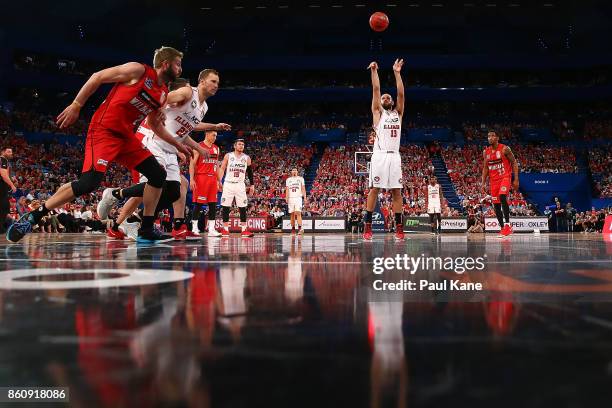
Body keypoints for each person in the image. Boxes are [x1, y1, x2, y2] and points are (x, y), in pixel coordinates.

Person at [7, 46, 191, 243]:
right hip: (104, 131)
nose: (180, 69)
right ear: (165, 64)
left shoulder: (162, 94)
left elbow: (154, 124)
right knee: (88, 183)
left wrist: (178, 145)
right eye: (177, 64)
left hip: (126, 137)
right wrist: (77, 105)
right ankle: (35, 215)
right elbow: (97, 76)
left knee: (158, 175)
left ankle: (146, 229)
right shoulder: (139, 70)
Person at [97, 72, 230, 240]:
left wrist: (213, 128)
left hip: (170, 148)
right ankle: (122, 204)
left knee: (174, 191)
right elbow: (163, 98)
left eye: (218, 82)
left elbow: (188, 127)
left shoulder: (203, 107)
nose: (216, 85)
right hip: (153, 144)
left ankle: (132, 219)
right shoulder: (188, 92)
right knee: (153, 185)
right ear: (202, 81)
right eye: (213, 81)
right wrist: (159, 109)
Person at [362, 59, 405, 241]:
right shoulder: (378, 114)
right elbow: (376, 90)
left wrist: (397, 73)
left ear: (392, 101)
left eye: (389, 97)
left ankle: (399, 228)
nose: (386, 98)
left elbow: (401, 94)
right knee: (375, 189)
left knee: (397, 192)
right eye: (383, 98)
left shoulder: (398, 113)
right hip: (379, 156)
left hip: (394, 157)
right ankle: (368, 226)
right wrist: (374, 71)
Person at [481, 130, 519, 237]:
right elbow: (485, 168)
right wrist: (483, 183)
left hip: (505, 177)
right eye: (488, 136)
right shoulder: (486, 152)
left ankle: (507, 225)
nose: (490, 138)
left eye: (492, 136)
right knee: (496, 205)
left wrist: (516, 179)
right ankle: (502, 228)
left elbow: (514, 162)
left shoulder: (505, 149)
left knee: (502, 196)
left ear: (497, 138)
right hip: (493, 181)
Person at [217, 139, 254, 237]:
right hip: (228, 183)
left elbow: (250, 173)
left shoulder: (247, 158)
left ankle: (244, 229)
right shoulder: (228, 156)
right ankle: (225, 229)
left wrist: (252, 185)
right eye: (239, 144)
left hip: (240, 184)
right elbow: (222, 168)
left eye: (243, 144)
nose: (241, 146)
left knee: (242, 207)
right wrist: (219, 181)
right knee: (225, 206)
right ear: (234, 146)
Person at [190, 130, 224, 237]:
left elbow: (217, 166)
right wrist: (191, 179)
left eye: (216, 135)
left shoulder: (216, 148)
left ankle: (212, 229)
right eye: (213, 135)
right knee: (199, 204)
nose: (215, 137)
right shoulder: (198, 146)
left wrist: (219, 181)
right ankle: (194, 228)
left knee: (213, 204)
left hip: (213, 179)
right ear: (207, 134)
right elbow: (192, 164)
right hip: (201, 177)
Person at [0, 147, 17, 234]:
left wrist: (11, 179)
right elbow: (3, 174)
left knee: (4, 206)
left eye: (11, 152)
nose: (11, 153)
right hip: (1, 186)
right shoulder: (3, 159)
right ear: (3, 152)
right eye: (9, 152)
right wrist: (12, 185)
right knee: (4, 207)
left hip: (3, 186)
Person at [285, 168, 306, 235]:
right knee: (292, 214)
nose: (294, 171)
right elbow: (287, 189)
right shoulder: (288, 180)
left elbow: (303, 188)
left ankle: (300, 228)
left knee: (298, 212)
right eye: (293, 170)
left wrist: (305, 197)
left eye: (295, 170)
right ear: (291, 172)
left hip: (298, 197)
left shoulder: (301, 179)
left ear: (297, 172)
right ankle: (293, 230)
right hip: (291, 198)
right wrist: (286, 197)